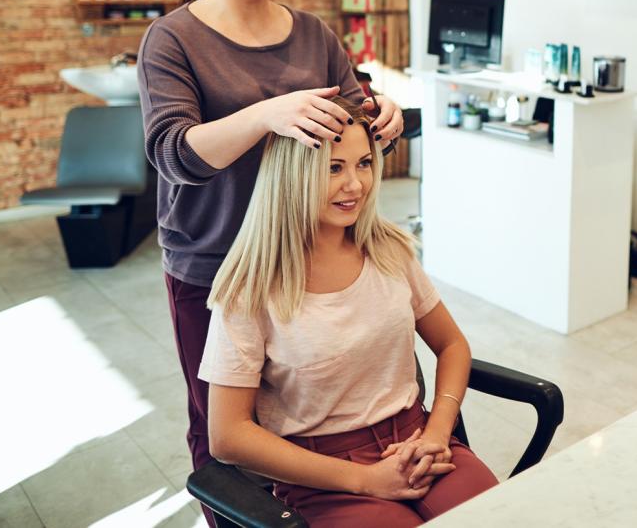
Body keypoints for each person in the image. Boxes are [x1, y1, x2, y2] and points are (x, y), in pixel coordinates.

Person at [136, 0, 405, 507]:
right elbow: (173, 153)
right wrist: (264, 115)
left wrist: (383, 114)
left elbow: (352, 125)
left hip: (312, 258)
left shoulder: (313, 32)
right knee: (225, 431)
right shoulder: (172, 40)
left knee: (314, 414)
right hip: (217, 264)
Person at [200, 98, 497, 526]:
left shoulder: (389, 251)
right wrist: (364, 480)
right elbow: (227, 436)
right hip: (323, 474)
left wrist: (437, 433)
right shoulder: (250, 290)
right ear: (292, 176)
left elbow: (452, 344)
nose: (356, 184)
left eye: (363, 163)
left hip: (417, 440)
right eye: (334, 168)